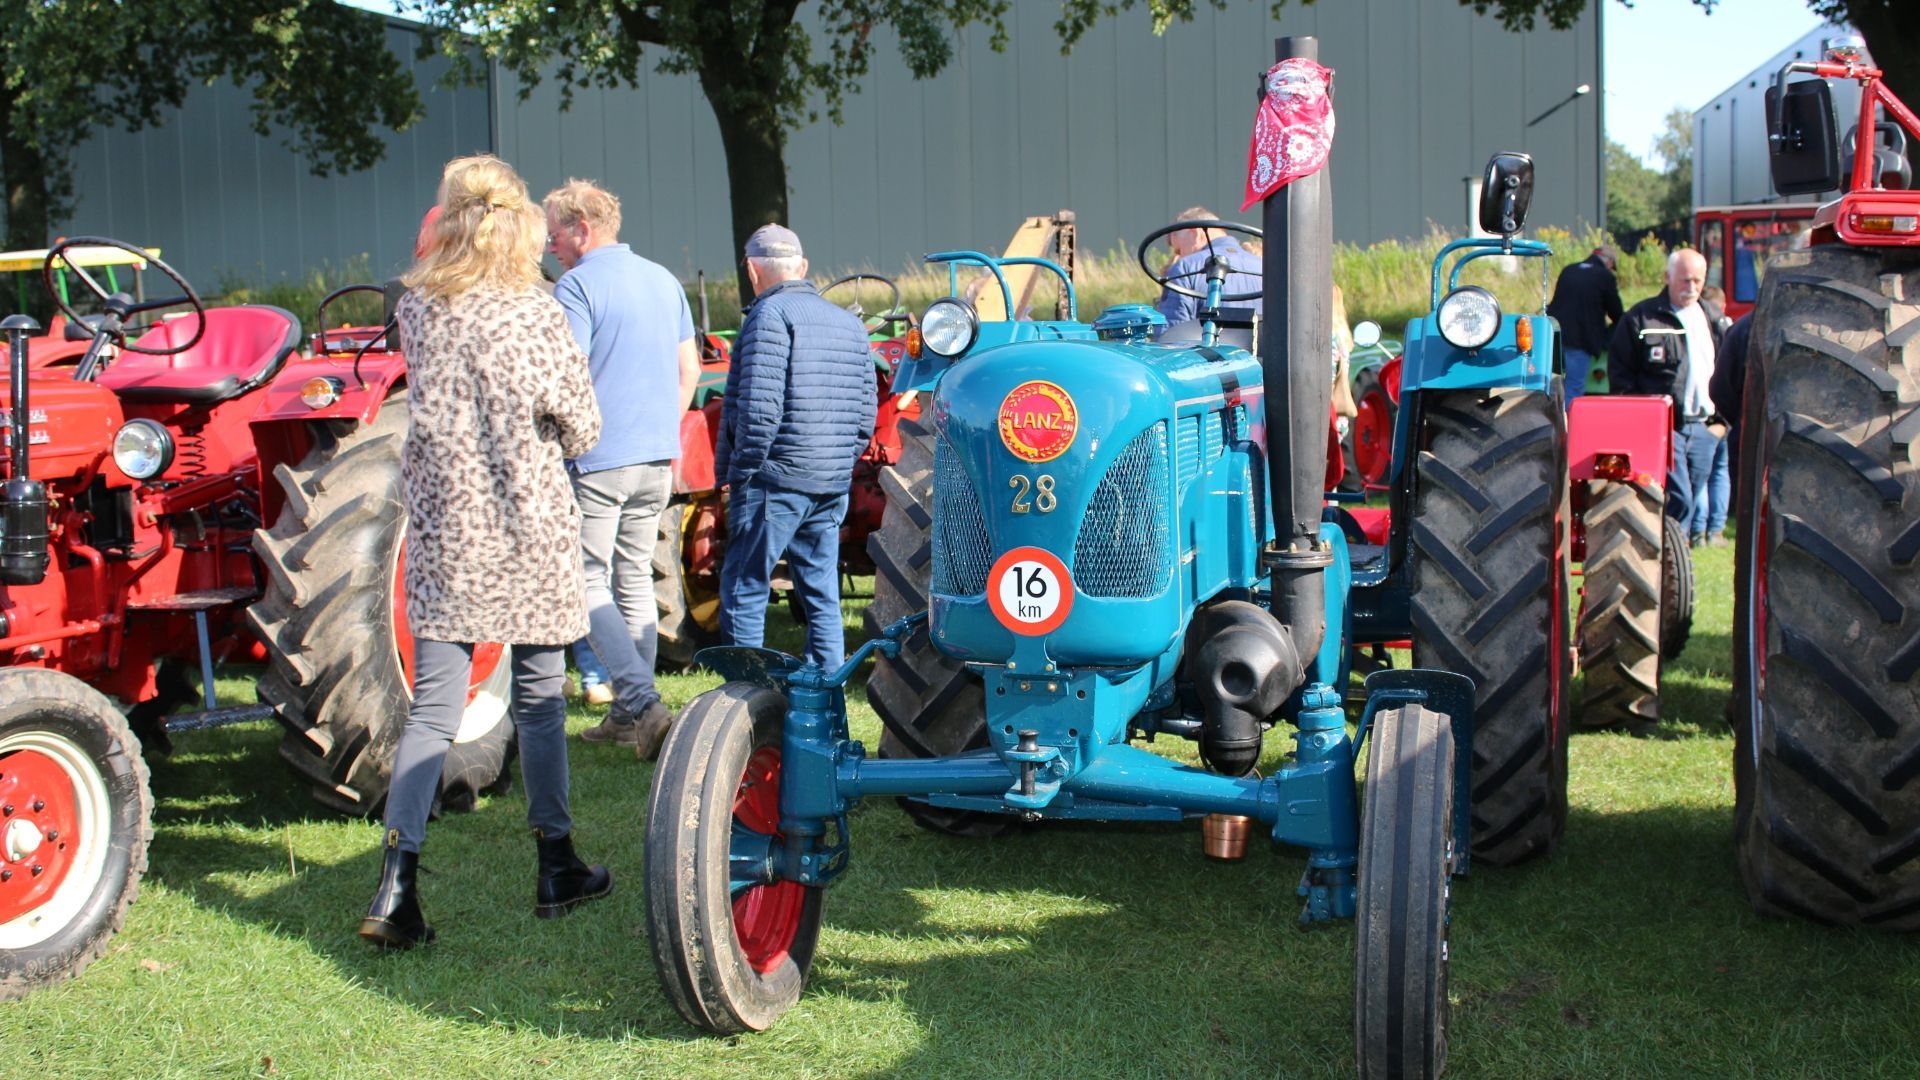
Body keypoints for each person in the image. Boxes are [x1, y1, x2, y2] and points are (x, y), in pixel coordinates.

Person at [360, 154, 610, 950]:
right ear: (520, 226)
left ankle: (397, 885)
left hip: (445, 528)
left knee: (434, 708)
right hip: (527, 524)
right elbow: (582, 425)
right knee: (539, 699)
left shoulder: (420, 310)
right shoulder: (533, 312)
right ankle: (555, 862)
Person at [543, 180, 700, 758]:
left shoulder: (577, 286)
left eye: (555, 235)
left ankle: (640, 702)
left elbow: (568, 376)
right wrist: (660, 427)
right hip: (657, 457)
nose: (550, 247)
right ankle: (631, 712)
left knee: (584, 582)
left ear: (582, 228)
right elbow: (689, 369)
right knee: (633, 579)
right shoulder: (663, 279)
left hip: (596, 458)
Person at [715, 224, 874, 671]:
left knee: (746, 586)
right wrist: (839, 463)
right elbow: (865, 418)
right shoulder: (849, 323)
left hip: (774, 480)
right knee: (821, 593)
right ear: (802, 267)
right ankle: (828, 694)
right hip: (830, 483)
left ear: (751, 270)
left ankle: (747, 692)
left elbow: (758, 411)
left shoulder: (767, 317)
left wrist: (742, 470)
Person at [1609, 248, 1727, 545]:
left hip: (1704, 426)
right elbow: (1620, 373)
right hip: (1663, 427)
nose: (1691, 288)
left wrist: (1721, 423)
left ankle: (1675, 554)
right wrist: (1639, 417)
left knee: (1693, 491)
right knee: (1681, 498)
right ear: (1667, 277)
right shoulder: (1641, 318)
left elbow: (1729, 371)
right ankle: (1665, 555)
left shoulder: (1713, 318)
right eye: (1685, 280)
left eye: (1697, 281)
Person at [1153, 206, 1263, 326]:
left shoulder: (1184, 269)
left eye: (1179, 250)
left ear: (1195, 234)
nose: (1178, 256)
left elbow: (1170, 337)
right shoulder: (1264, 266)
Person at [1545, 245, 1624, 401]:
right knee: (1574, 387)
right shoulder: (1604, 276)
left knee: (1553, 387)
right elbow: (1617, 312)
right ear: (1609, 262)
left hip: (1554, 335)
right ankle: (1569, 424)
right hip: (1581, 340)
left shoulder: (1569, 270)